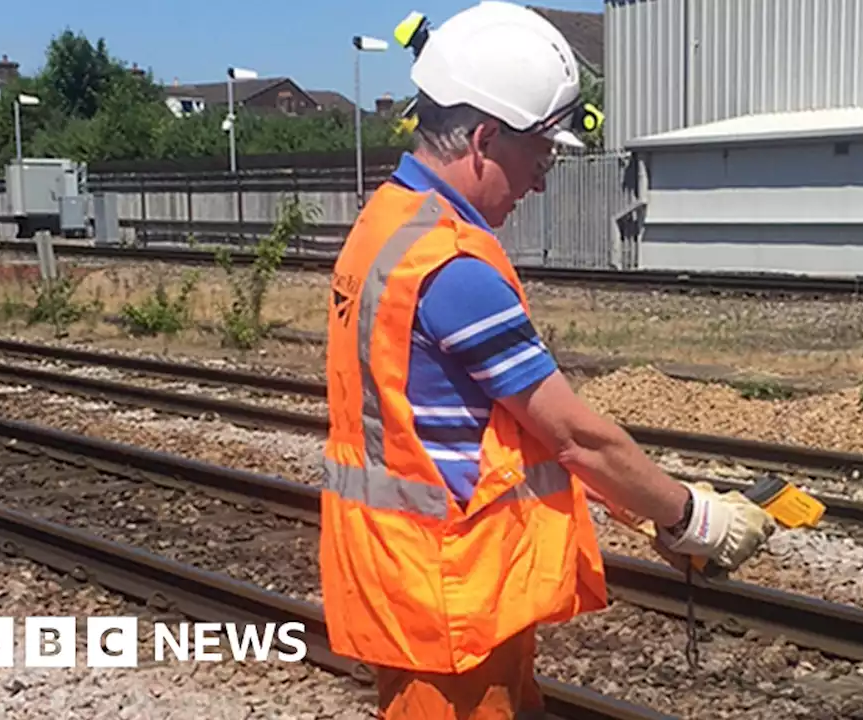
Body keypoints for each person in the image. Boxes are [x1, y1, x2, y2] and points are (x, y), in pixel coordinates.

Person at [318, 3, 777, 718]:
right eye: (541, 155)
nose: (540, 181)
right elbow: (572, 435)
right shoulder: (454, 269)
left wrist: (646, 505)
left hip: (414, 583)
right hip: (451, 604)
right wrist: (693, 518)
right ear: (484, 137)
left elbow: (491, 431)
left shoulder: (386, 223)